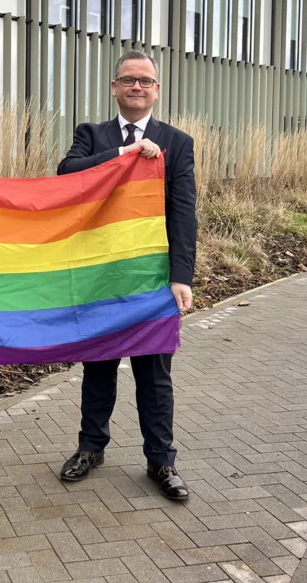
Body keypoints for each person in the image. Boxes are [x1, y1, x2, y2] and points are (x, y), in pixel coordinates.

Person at [55, 49, 197, 501]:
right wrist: (125, 152)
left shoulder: (178, 142)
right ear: (114, 88)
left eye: (145, 81)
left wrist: (181, 275)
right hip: (102, 278)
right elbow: (66, 174)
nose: (136, 87)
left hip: (151, 279)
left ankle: (161, 460)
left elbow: (183, 213)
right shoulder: (91, 135)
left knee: (154, 374)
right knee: (98, 367)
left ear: (157, 90)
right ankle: (90, 448)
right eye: (128, 80)